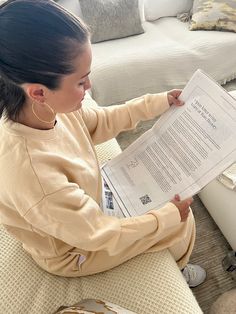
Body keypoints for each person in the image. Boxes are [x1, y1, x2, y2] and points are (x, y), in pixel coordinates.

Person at [0, 0, 206, 287]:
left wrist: (158, 102)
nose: (89, 88)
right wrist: (167, 217)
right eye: (81, 82)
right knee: (180, 221)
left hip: (83, 208)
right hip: (73, 251)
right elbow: (96, 233)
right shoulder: (32, 172)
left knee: (168, 204)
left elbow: (100, 121)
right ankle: (180, 271)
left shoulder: (48, 111)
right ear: (38, 92)